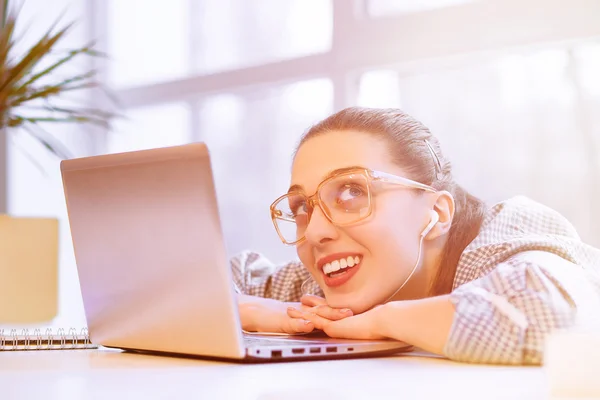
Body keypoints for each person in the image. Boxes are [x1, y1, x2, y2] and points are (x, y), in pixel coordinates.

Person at [232, 106, 600, 365]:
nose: (315, 231)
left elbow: (554, 315)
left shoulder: (507, 238)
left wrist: (381, 321)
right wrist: (255, 311)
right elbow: (205, 287)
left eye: (351, 192)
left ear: (436, 213)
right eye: (302, 207)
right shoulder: (325, 287)